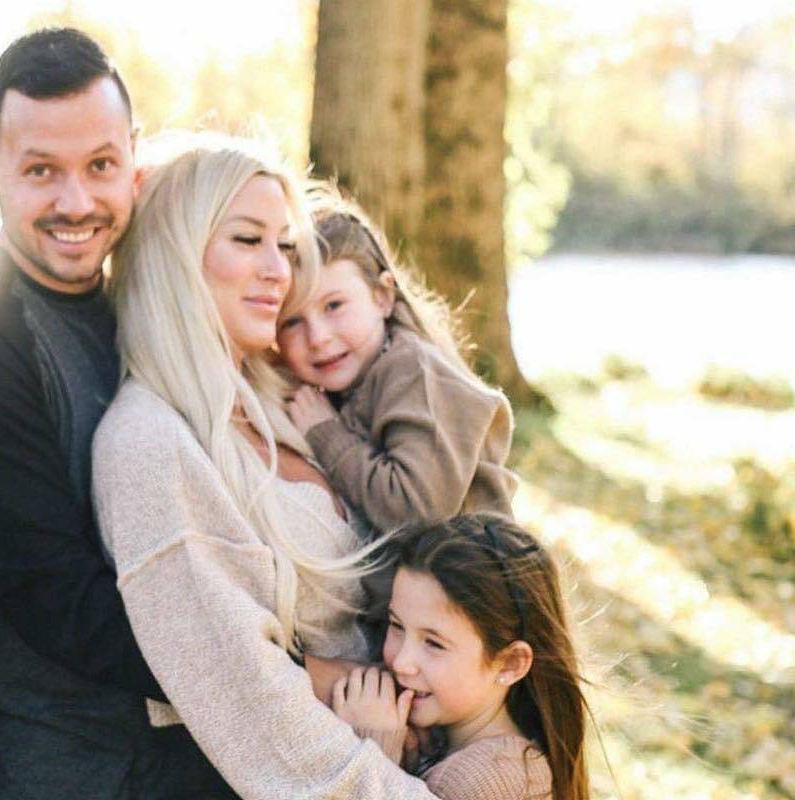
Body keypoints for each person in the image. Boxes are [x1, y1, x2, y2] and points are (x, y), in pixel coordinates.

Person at [0, 29, 231, 799]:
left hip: (195, 743)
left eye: (100, 166)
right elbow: (55, 598)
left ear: (133, 158)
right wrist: (269, 671)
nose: (76, 203)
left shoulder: (144, 302)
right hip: (65, 765)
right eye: (41, 170)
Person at [93, 133, 437, 798]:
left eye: (284, 245)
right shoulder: (148, 444)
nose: (280, 270)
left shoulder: (287, 397)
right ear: (175, 255)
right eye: (248, 240)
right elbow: (242, 689)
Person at [277, 189, 518, 535]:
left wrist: (327, 434)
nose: (317, 337)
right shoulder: (353, 381)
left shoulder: (414, 372)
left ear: (382, 296)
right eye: (291, 322)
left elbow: (415, 510)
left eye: (334, 306)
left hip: (471, 567)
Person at [330, 513, 592, 800]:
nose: (402, 663)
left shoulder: (484, 778)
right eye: (397, 625)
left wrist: (373, 751)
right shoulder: (472, 750)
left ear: (510, 663)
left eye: (434, 644)